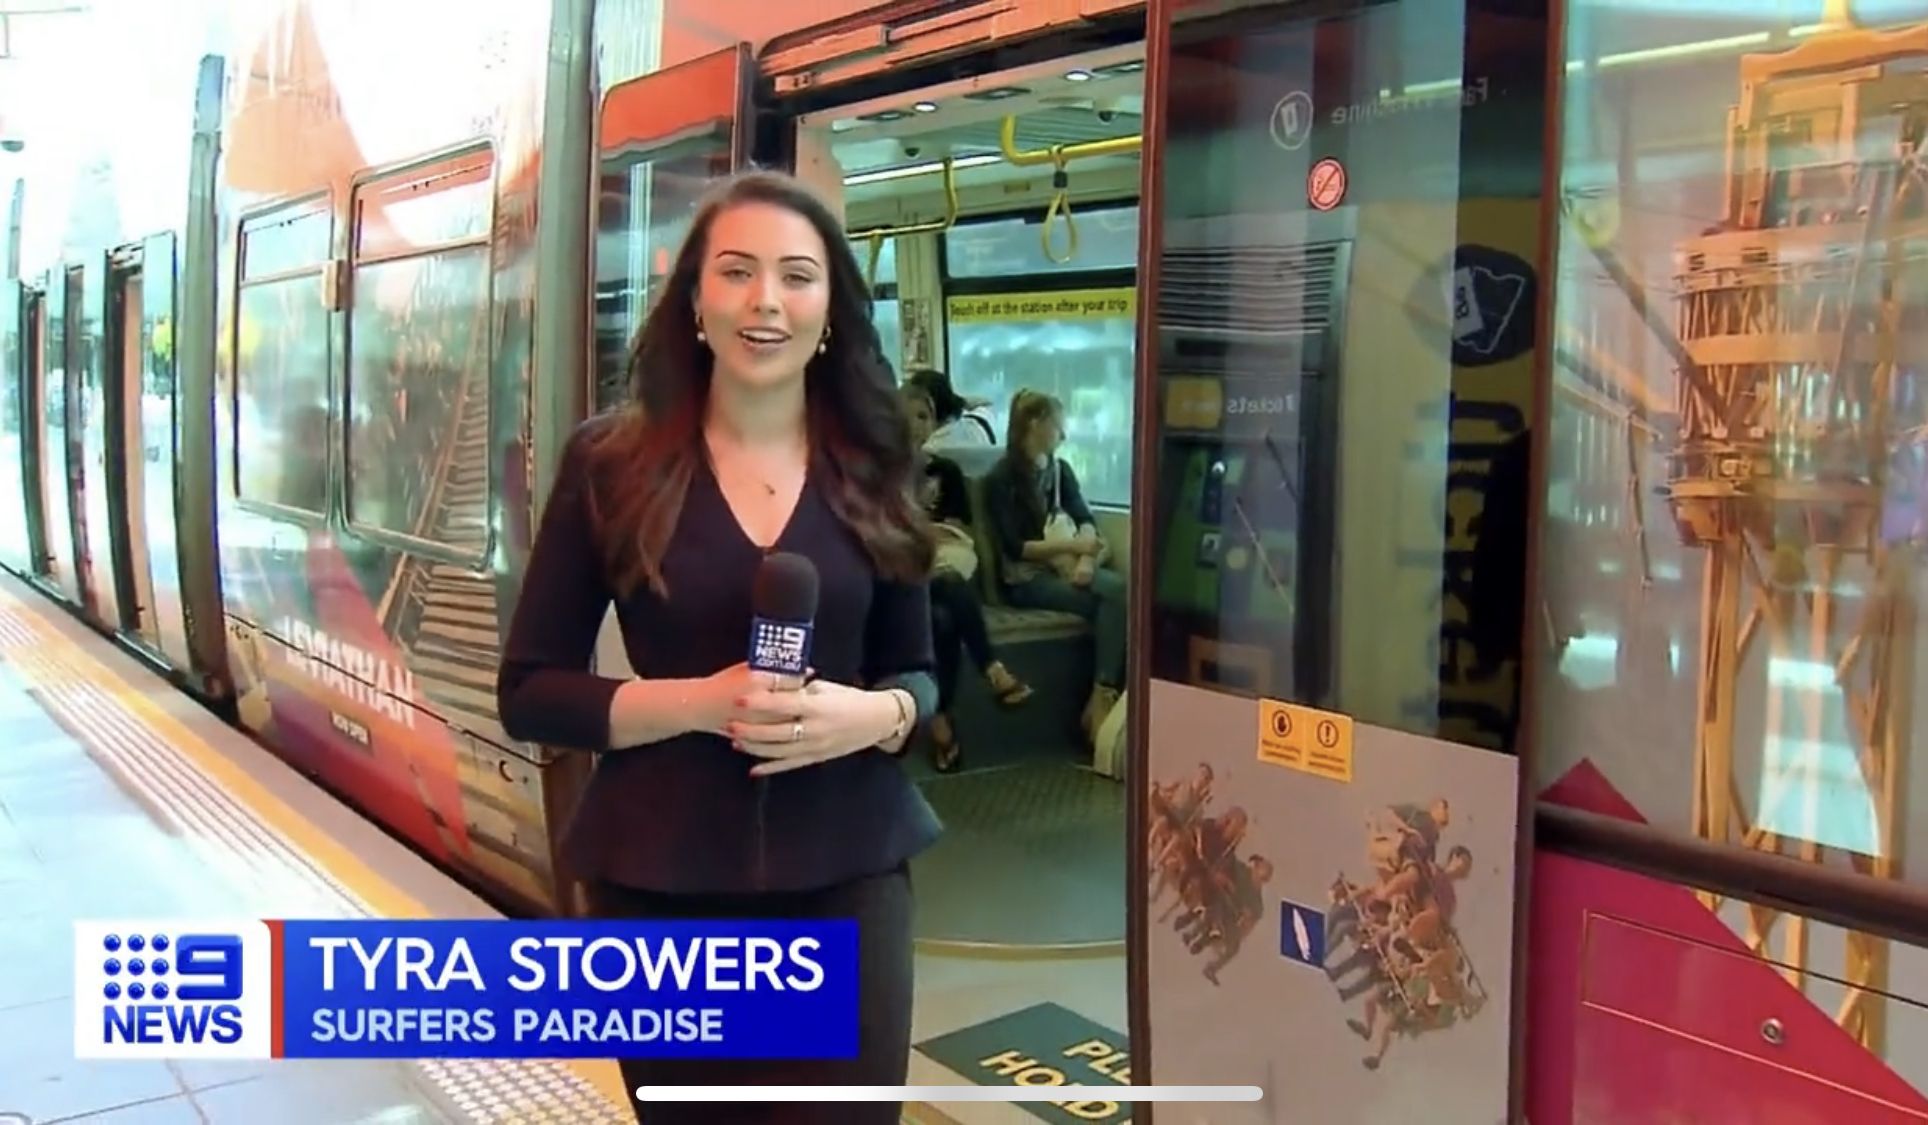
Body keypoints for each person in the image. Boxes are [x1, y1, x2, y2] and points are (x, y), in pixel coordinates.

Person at [495, 169, 939, 1125]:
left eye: (796, 276)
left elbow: (921, 674)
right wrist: (699, 702)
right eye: (736, 272)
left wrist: (874, 714)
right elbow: (531, 690)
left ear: (831, 310)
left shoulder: (877, 462)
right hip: (662, 885)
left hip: (847, 875)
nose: (765, 300)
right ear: (695, 301)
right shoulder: (609, 464)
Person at [980, 389, 1126, 743]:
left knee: (1120, 594)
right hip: (1026, 580)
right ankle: (1102, 697)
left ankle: (1101, 695)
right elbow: (1017, 548)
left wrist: (1086, 560)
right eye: (1058, 426)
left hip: (1067, 567)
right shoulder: (1001, 480)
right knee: (1114, 598)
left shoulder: (1060, 470)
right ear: (1035, 424)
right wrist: (1074, 547)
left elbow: (1085, 518)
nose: (1064, 434)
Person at [901, 381, 1033, 772]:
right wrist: (919, 521)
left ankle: (942, 717)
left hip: (939, 563)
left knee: (943, 618)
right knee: (947, 587)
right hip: (899, 572)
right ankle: (991, 669)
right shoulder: (880, 472)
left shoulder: (945, 470)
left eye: (925, 416)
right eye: (910, 416)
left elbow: (961, 527)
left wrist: (927, 530)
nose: (918, 425)